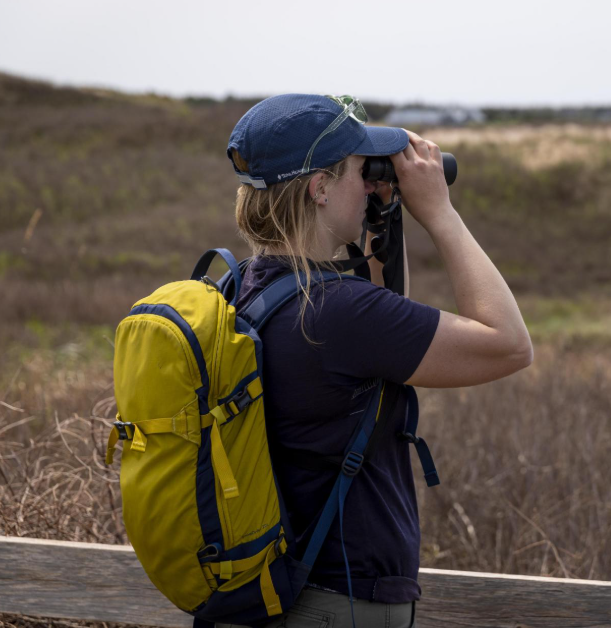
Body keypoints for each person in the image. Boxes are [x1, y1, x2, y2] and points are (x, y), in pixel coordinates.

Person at [223, 94, 533, 628]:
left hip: (271, 587)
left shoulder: (245, 288)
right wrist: (440, 214)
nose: (369, 183)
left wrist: (381, 221)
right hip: (341, 599)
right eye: (357, 172)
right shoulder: (339, 314)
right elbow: (509, 344)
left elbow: (384, 326)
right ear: (320, 187)